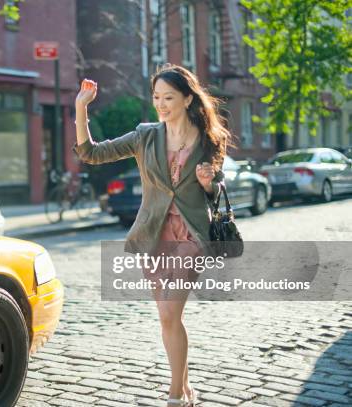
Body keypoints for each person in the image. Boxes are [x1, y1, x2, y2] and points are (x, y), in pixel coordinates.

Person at [73, 63, 232, 406]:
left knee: (168, 314)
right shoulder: (146, 135)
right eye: (156, 97)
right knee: (169, 318)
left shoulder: (208, 141)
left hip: (190, 235)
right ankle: (186, 387)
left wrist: (208, 182)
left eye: (168, 97)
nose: (160, 104)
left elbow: (216, 188)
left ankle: (174, 395)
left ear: (188, 99)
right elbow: (91, 153)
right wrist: (81, 107)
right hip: (155, 234)